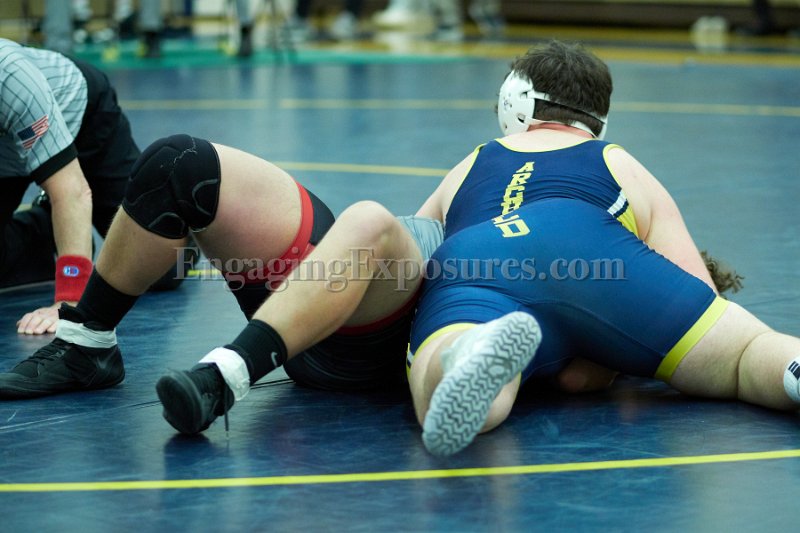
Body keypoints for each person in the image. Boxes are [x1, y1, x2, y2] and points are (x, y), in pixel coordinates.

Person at [157, 40, 797, 460]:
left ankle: (466, 355)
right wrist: (629, 352)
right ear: (596, 121)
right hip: (596, 247)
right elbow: (695, 285)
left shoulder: (475, 162)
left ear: (513, 104)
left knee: (451, 364)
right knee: (747, 355)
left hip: (480, 263)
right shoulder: (619, 162)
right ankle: (792, 368)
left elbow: (415, 260)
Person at [1, 38, 142, 335]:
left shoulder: (11, 77)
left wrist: (70, 300)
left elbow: (72, 192)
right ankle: (45, 228)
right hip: (7, 154)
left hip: (80, 116)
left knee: (150, 265)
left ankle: (174, 211)